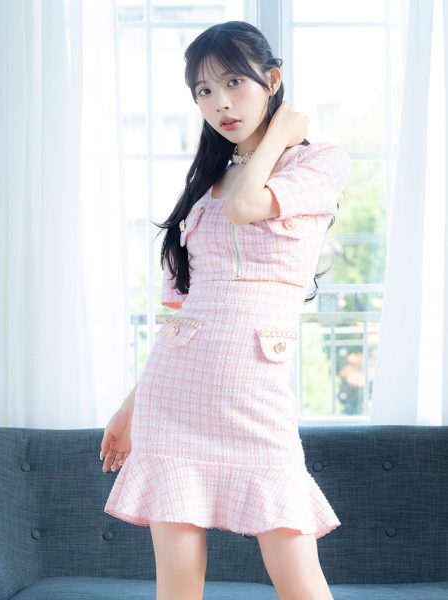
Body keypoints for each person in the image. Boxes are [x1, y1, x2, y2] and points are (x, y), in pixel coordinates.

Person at [100, 20, 350, 600]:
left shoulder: (319, 163)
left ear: (272, 80)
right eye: (204, 91)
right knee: (177, 586)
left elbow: (245, 208)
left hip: (253, 385)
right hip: (173, 389)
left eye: (234, 82)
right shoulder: (208, 181)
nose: (220, 103)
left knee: (300, 581)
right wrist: (130, 407)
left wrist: (278, 135)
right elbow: (186, 308)